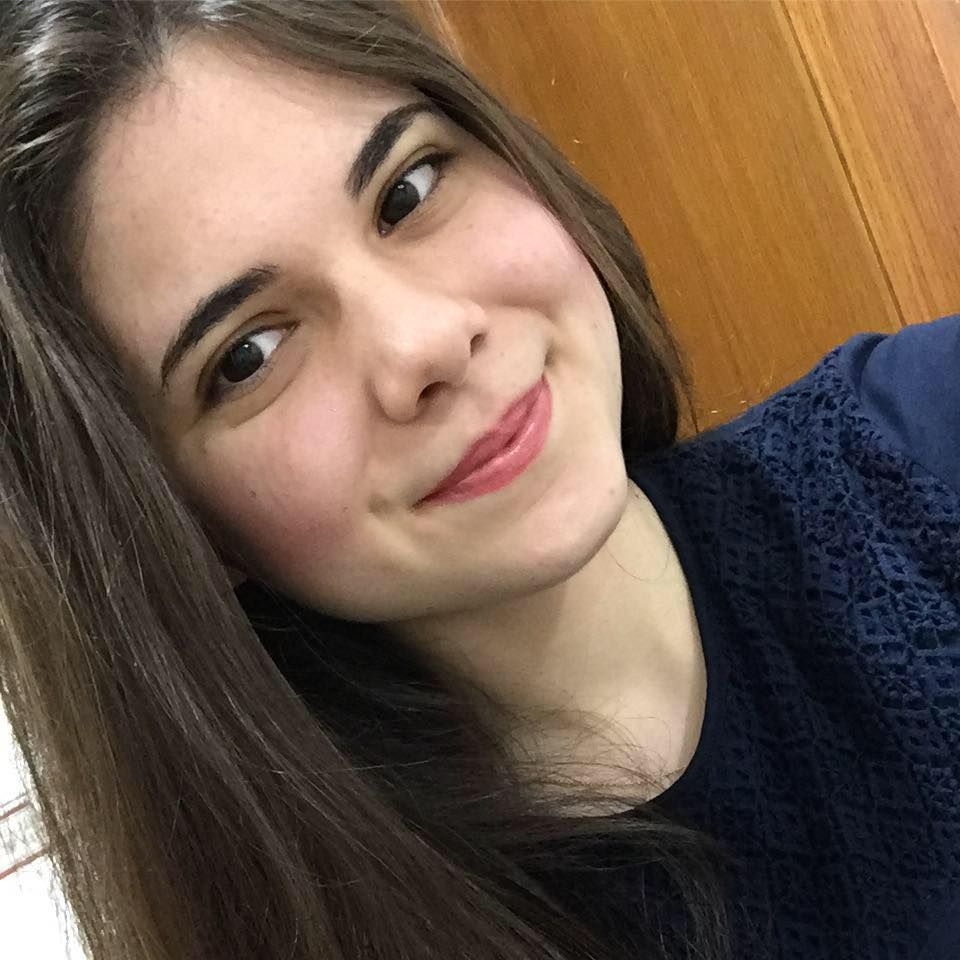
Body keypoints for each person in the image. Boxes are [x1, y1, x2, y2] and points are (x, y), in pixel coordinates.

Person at [0, 2, 955, 959]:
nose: (427, 340)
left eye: (408, 190)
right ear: (174, 524)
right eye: (249, 354)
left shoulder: (921, 446)